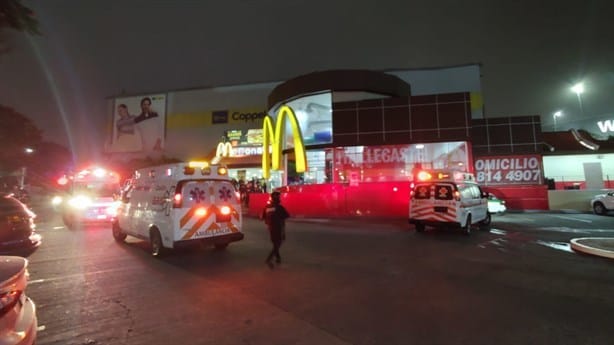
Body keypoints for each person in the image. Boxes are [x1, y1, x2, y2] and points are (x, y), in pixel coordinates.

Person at [262, 191, 289, 268]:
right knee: (278, 244)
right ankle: (269, 259)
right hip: (278, 228)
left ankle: (278, 258)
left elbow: (263, 217)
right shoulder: (279, 208)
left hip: (271, 228)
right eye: (279, 197)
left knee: (275, 244)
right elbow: (283, 220)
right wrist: (283, 232)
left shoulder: (267, 207)